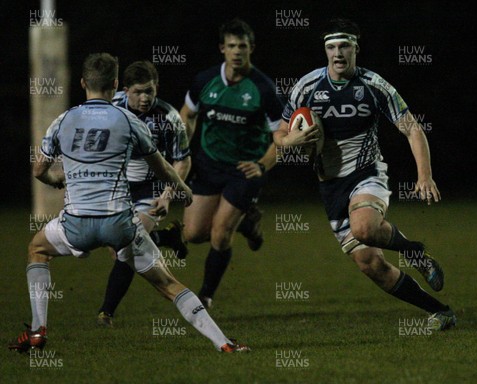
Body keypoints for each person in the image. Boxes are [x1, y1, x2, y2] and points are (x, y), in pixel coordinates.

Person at [9, 53, 249, 353]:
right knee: (168, 284)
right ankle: (224, 344)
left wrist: (58, 179)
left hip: (75, 225)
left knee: (37, 249)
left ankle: (37, 331)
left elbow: (38, 170)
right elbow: (163, 166)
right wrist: (182, 191)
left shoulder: (64, 119)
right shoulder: (129, 121)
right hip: (118, 224)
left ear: (83, 83)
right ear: (116, 84)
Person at [273, 19, 456, 330]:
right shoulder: (306, 86)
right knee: (372, 265)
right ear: (325, 51)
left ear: (356, 48)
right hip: (330, 187)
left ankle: (414, 251)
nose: (337, 53)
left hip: (367, 173)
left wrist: (424, 176)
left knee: (365, 228)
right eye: (331, 47)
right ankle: (441, 312)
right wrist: (290, 140)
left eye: (344, 46)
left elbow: (412, 128)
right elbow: (279, 134)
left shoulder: (374, 85)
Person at [179, 18, 283, 308]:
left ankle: (206, 295)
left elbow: (283, 136)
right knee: (194, 233)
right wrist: (182, 147)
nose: (237, 51)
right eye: (232, 46)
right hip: (209, 165)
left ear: (251, 49)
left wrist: (262, 165)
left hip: (243, 171)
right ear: (222, 49)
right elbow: (186, 114)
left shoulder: (264, 89)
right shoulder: (205, 81)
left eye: (243, 46)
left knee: (220, 232)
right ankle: (248, 223)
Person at [96, 61, 191, 327]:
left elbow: (182, 161)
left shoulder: (168, 116)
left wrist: (168, 195)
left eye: (149, 90)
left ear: (156, 87)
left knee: (126, 245)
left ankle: (106, 312)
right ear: (125, 90)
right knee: (116, 248)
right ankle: (168, 236)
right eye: (138, 91)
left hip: (153, 187)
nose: (145, 97)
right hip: (119, 186)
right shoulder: (109, 109)